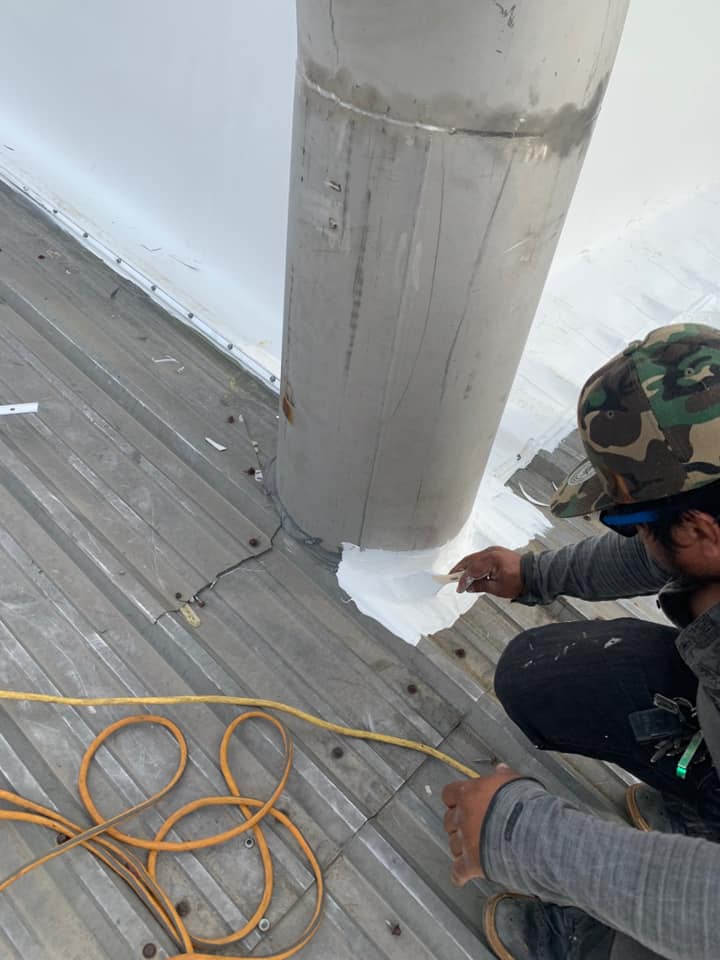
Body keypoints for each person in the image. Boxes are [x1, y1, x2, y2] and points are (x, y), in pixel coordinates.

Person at [443, 322, 720, 960]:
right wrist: (535, 575)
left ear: (701, 528)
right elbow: (665, 555)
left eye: (629, 522)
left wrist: (529, 840)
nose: (629, 540)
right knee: (547, 675)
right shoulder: (709, 532)